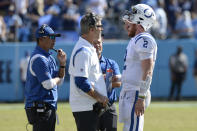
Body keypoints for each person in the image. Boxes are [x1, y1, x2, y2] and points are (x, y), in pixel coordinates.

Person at [119, 4, 157, 131]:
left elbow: (148, 69)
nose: (127, 24)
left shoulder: (144, 39)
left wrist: (141, 96)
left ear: (140, 20)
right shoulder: (136, 40)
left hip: (136, 92)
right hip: (130, 91)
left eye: (132, 19)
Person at [69, 12, 109, 131]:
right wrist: (100, 97)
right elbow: (81, 81)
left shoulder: (88, 47)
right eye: (100, 26)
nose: (101, 29)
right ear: (92, 29)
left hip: (89, 107)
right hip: (86, 108)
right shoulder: (84, 51)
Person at [24, 24, 67, 131]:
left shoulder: (49, 57)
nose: (54, 40)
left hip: (47, 107)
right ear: (41, 39)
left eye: (55, 37)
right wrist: (57, 80)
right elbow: (48, 84)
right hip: (40, 109)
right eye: (51, 37)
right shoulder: (39, 58)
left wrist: (62, 64)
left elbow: (59, 81)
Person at [93, 34, 121, 131]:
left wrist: (97, 80)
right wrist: (106, 78)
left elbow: (118, 82)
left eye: (99, 43)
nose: (97, 45)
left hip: (109, 107)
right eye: (94, 43)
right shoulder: (86, 64)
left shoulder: (111, 63)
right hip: (92, 107)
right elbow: (85, 82)